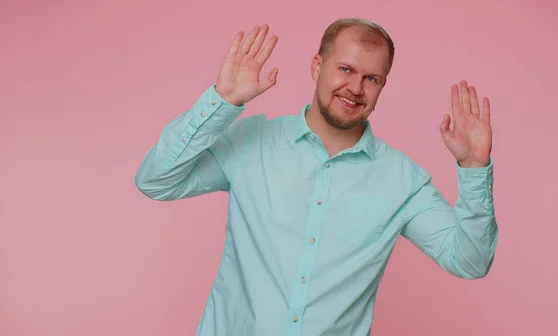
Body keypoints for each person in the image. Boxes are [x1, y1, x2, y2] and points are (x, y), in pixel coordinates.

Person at [135, 18, 498, 336]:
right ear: (316, 65)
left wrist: (474, 168)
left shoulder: (402, 179)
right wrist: (222, 101)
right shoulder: (253, 142)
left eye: (371, 78)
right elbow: (156, 180)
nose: (355, 88)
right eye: (345, 69)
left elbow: (469, 261)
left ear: (382, 87)